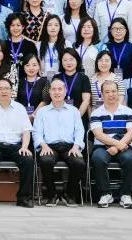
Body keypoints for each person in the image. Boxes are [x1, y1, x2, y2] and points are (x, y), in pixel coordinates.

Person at [0, 77, 35, 208]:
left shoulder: (20, 108)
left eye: (6, 88)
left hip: (15, 146)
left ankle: (23, 198)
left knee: (28, 159)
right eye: (0, 89)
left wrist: (25, 147)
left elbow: (26, 131)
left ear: (12, 91)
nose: (4, 91)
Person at [33, 77, 87, 207]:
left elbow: (80, 131)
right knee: (45, 161)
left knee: (79, 163)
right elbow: (36, 132)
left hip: (70, 146)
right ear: (49, 92)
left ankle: (69, 194)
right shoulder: (42, 112)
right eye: (54, 89)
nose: (57, 92)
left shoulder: (74, 111)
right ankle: (52, 195)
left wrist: (76, 146)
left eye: (60, 89)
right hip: (49, 146)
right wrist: (43, 145)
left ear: (65, 91)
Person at [88, 80, 132, 209]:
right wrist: (116, 144)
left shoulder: (128, 111)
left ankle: (126, 195)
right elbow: (98, 134)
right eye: (107, 92)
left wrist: (117, 147)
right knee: (98, 158)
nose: (111, 94)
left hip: (124, 146)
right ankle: (106, 194)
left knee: (131, 159)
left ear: (118, 92)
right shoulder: (96, 113)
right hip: (102, 146)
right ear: (102, 95)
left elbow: (131, 133)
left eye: (114, 91)